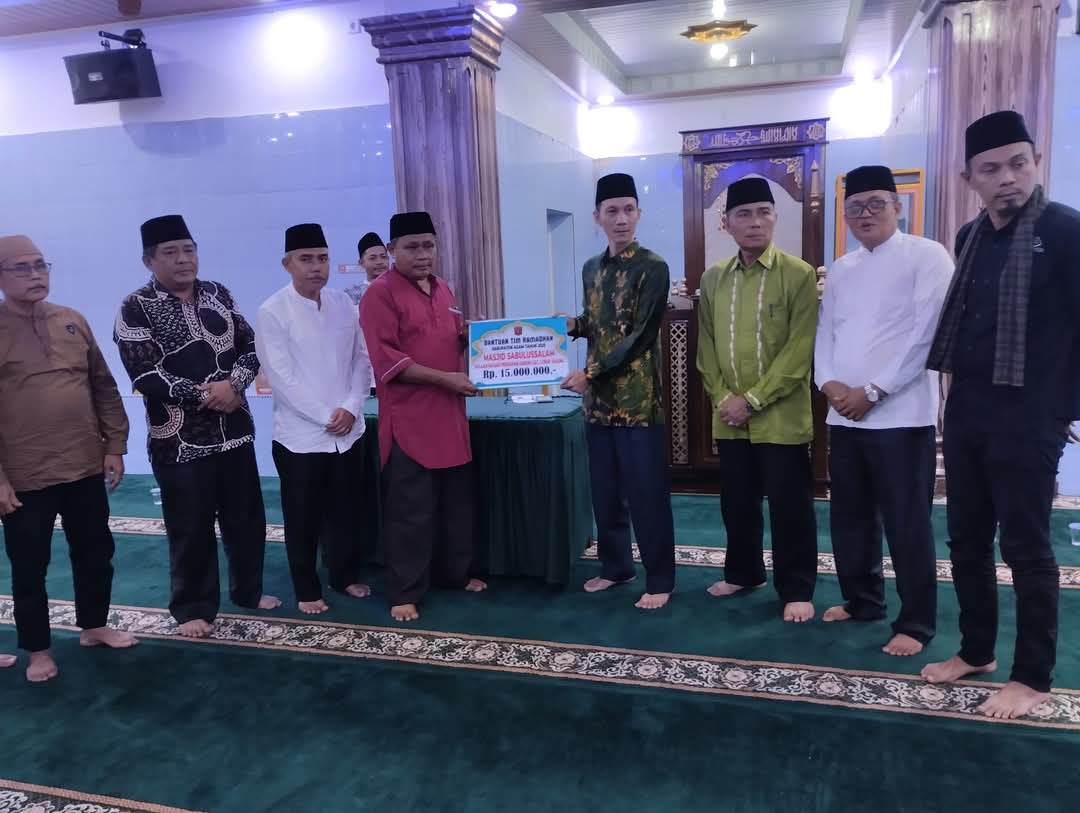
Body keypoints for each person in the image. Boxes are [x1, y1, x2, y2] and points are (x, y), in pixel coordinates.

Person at [923, 110, 1080, 719]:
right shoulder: (969, 236)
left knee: (1026, 546)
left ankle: (1032, 676)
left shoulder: (1066, 231)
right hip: (968, 409)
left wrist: (1062, 409)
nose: (1007, 178)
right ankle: (977, 650)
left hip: (1030, 416)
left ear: (1036, 162)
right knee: (965, 539)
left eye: (1018, 163)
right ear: (970, 179)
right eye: (991, 169)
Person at [114, 215, 280, 638]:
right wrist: (210, 394)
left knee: (246, 519)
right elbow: (144, 374)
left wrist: (235, 385)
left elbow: (250, 347)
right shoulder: (136, 306)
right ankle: (192, 607)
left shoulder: (218, 293)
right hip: (180, 440)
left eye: (189, 250)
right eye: (170, 252)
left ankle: (248, 591)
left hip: (234, 430)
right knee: (190, 526)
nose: (183, 259)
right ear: (149, 261)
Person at [815, 165, 954, 655]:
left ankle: (915, 623)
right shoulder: (841, 268)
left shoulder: (927, 256)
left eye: (876, 204)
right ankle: (863, 601)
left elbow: (927, 335)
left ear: (898, 207)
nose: (865, 214)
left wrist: (874, 391)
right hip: (845, 416)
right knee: (850, 518)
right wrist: (828, 382)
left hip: (902, 416)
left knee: (906, 522)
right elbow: (826, 333)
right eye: (855, 207)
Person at [0, 235, 136, 682]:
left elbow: (103, 387)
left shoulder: (71, 321)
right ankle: (38, 650)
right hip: (25, 474)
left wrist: (114, 445)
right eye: (22, 267)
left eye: (41, 265)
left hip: (83, 464)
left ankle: (94, 626)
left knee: (95, 551)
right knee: (30, 565)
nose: (35, 275)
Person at [695, 176, 819, 623]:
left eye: (764, 213)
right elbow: (707, 347)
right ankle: (744, 573)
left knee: (790, 506)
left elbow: (799, 351)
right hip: (729, 416)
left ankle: (797, 587)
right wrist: (723, 398)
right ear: (726, 223)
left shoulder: (798, 274)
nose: (755, 222)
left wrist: (751, 399)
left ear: (775, 218)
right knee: (737, 502)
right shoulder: (714, 278)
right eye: (744, 214)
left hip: (780, 416)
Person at [359, 212, 486, 622]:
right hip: (409, 422)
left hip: (450, 416)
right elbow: (387, 361)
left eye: (428, 245)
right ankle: (405, 592)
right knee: (410, 512)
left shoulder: (443, 287)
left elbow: (450, 336)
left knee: (455, 506)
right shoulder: (379, 294)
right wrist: (447, 380)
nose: (422, 254)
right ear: (392, 250)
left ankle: (454, 575)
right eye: (411, 247)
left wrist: (475, 338)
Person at [561, 172, 676, 611]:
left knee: (647, 495)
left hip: (638, 403)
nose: (621, 219)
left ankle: (660, 579)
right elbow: (597, 324)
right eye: (612, 211)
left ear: (639, 214)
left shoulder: (653, 267)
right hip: (599, 406)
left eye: (628, 210)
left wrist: (589, 372)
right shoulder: (592, 269)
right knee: (605, 493)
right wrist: (572, 325)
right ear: (598, 217)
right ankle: (615, 568)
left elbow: (641, 336)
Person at [256, 223, 372, 615]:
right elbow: (281, 377)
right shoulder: (273, 311)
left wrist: (351, 406)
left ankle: (344, 576)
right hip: (300, 438)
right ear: (287, 264)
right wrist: (326, 416)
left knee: (346, 512)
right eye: (306, 259)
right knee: (303, 518)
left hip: (348, 431)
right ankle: (307, 589)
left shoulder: (343, 303)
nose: (316, 266)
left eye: (322, 258)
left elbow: (361, 359)